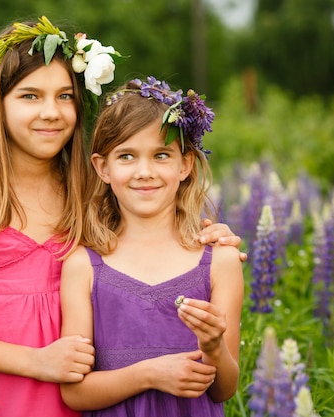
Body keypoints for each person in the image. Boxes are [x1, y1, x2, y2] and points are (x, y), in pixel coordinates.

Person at [0, 17, 243, 417]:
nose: (50, 112)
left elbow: (150, 231)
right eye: (29, 96)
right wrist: (37, 361)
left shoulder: (87, 192)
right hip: (9, 396)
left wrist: (208, 235)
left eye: (64, 96)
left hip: (98, 397)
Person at [60, 77, 244, 416]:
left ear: (185, 165)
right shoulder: (83, 266)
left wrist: (215, 346)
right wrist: (148, 375)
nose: (145, 172)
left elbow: (224, 390)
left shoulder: (221, 260)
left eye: (161, 155)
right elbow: (75, 393)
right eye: (127, 156)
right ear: (103, 167)